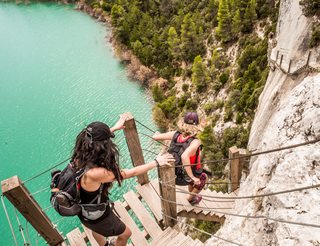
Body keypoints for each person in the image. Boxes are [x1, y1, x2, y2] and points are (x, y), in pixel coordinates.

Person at [70, 113, 174, 246]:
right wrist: (156, 162)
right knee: (126, 234)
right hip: (95, 215)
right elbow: (130, 173)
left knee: (95, 229)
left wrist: (114, 128)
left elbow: (95, 140)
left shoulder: (80, 155)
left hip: (83, 209)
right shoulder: (96, 173)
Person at [152, 112, 207, 205]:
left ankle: (191, 192)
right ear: (197, 126)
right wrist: (192, 177)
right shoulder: (195, 142)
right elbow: (184, 156)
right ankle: (189, 199)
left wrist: (156, 134)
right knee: (203, 178)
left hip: (172, 174)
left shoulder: (175, 134)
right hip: (183, 178)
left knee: (192, 173)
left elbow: (155, 137)